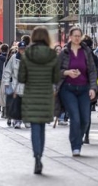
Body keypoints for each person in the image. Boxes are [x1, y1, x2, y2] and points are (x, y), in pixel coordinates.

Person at [17, 26, 60, 175]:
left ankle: (37, 158)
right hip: (46, 94)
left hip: (31, 94)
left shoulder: (27, 53)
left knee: (35, 126)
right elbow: (56, 78)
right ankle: (40, 155)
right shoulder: (52, 54)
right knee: (42, 127)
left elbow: (21, 77)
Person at [57, 27, 97, 157]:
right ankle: (75, 146)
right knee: (75, 117)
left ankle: (78, 139)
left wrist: (92, 87)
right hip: (68, 89)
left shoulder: (86, 51)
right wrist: (67, 72)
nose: (77, 38)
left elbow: (92, 70)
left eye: (79, 36)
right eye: (75, 36)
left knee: (85, 119)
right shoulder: (64, 52)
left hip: (84, 88)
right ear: (70, 37)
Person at [2, 41, 26, 129]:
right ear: (18, 49)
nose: (22, 50)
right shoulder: (13, 58)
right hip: (16, 84)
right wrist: (6, 82)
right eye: (21, 49)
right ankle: (17, 120)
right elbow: (8, 71)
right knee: (16, 103)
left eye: (24, 49)